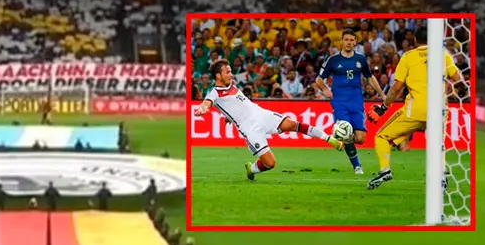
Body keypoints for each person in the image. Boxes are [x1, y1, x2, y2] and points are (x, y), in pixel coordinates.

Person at [194, 60, 343, 181]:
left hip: (261, 114)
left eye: (231, 71)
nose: (231, 75)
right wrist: (203, 108)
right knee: (270, 163)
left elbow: (234, 104)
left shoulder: (232, 85)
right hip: (250, 129)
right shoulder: (214, 93)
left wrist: (229, 116)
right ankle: (251, 169)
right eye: (228, 72)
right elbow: (207, 102)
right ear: (218, 75)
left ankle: (330, 140)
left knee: (291, 124)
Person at [368, 24, 463, 190]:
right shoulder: (443, 55)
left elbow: (397, 87)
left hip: (415, 111)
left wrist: (384, 106)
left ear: (414, 39)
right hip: (439, 109)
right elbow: (458, 80)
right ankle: (440, 174)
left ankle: (385, 170)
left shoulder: (408, 57)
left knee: (381, 137)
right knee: (437, 144)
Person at [313, 29, 386, 174]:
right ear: (342, 41)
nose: (349, 42)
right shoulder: (333, 60)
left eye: (352, 40)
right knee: (346, 133)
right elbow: (319, 80)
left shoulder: (360, 59)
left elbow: (370, 78)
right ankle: (357, 166)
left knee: (360, 138)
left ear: (355, 42)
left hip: (357, 102)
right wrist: (325, 89)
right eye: (346, 39)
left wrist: (382, 95)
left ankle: (343, 140)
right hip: (339, 102)